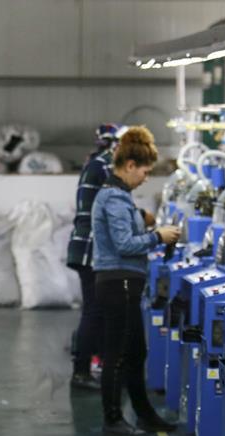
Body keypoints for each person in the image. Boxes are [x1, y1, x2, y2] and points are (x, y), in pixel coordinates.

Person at [92, 126, 181, 436]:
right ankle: (113, 419)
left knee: (136, 352)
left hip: (126, 283)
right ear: (129, 166)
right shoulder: (114, 198)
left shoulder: (120, 198)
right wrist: (159, 236)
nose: (146, 177)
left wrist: (142, 217)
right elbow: (124, 245)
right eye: (144, 171)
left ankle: (144, 414)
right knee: (116, 355)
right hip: (119, 284)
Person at [67, 124, 124, 390]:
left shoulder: (97, 163)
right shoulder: (104, 167)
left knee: (98, 310)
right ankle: (81, 370)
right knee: (95, 310)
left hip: (87, 246)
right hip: (92, 249)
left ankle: (96, 365)